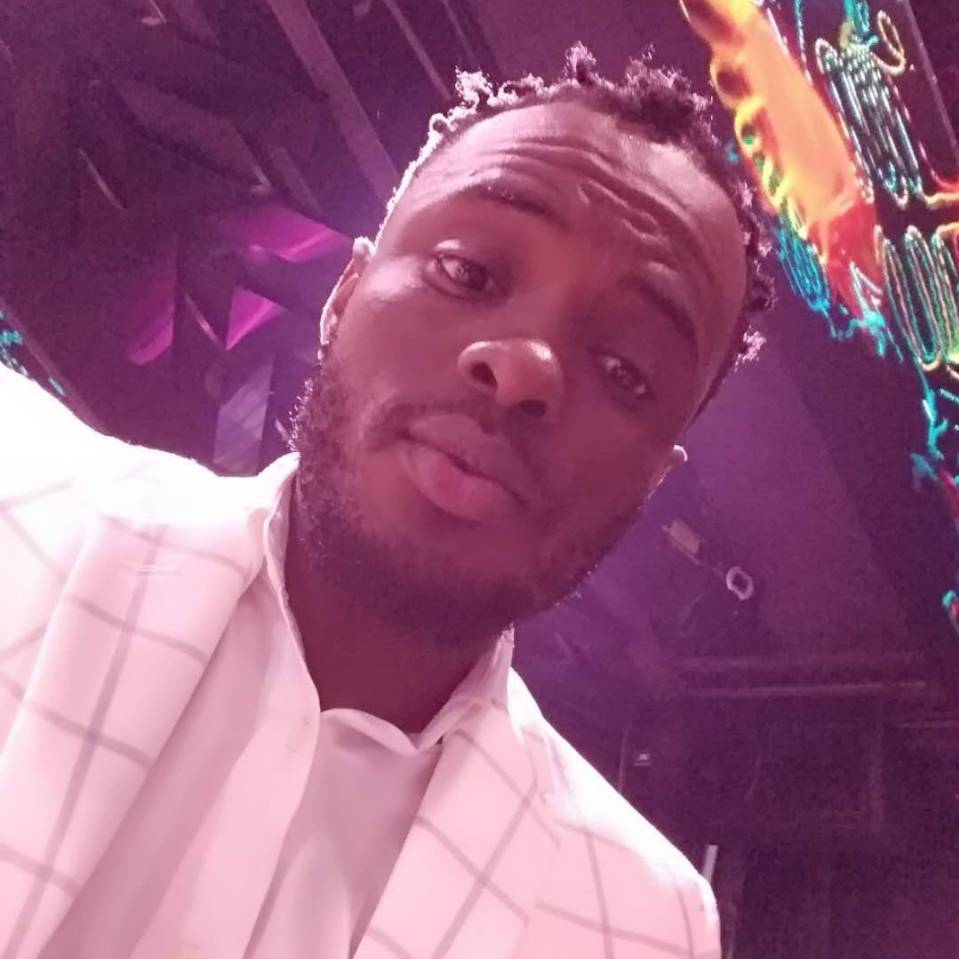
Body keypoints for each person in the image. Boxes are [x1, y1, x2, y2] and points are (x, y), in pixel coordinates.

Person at [0, 45, 772, 959]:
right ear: (343, 296)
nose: (523, 366)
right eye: (468, 272)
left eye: (624, 369)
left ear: (652, 480)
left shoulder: (643, 925)